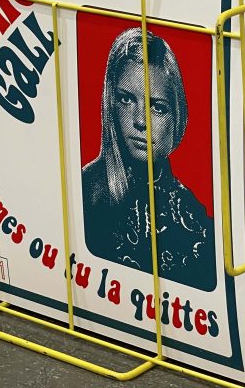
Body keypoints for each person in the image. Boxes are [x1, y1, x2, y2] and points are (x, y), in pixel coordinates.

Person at [81, 26, 215, 291]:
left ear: (177, 116)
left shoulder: (194, 215)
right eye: (126, 99)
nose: (141, 121)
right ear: (110, 103)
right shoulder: (85, 193)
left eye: (157, 107)